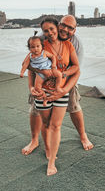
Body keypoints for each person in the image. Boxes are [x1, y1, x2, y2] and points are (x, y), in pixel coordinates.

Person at [22, 15, 93, 156]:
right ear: (58, 24)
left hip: (67, 81)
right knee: (35, 109)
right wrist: (32, 87)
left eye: (70, 28)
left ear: (75, 30)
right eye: (63, 25)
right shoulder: (43, 37)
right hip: (42, 82)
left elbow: (76, 71)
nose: (65, 29)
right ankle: (34, 140)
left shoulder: (75, 43)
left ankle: (83, 136)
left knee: (74, 106)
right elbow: (32, 65)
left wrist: (64, 88)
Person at [30, 17, 80, 175]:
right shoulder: (40, 45)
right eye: (46, 30)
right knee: (45, 124)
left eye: (52, 29)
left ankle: (51, 162)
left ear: (57, 28)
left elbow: (76, 67)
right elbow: (31, 69)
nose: (50, 33)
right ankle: (47, 148)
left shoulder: (69, 44)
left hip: (60, 90)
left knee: (56, 125)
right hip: (42, 92)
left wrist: (62, 75)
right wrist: (32, 87)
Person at [20, 36, 63, 105]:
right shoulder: (30, 56)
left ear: (42, 46)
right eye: (33, 47)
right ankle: (45, 98)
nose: (36, 49)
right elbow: (25, 64)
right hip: (40, 74)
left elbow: (53, 57)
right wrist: (22, 72)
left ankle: (57, 87)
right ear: (29, 48)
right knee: (37, 88)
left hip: (50, 69)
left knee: (59, 75)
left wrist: (54, 65)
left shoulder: (44, 53)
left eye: (38, 46)